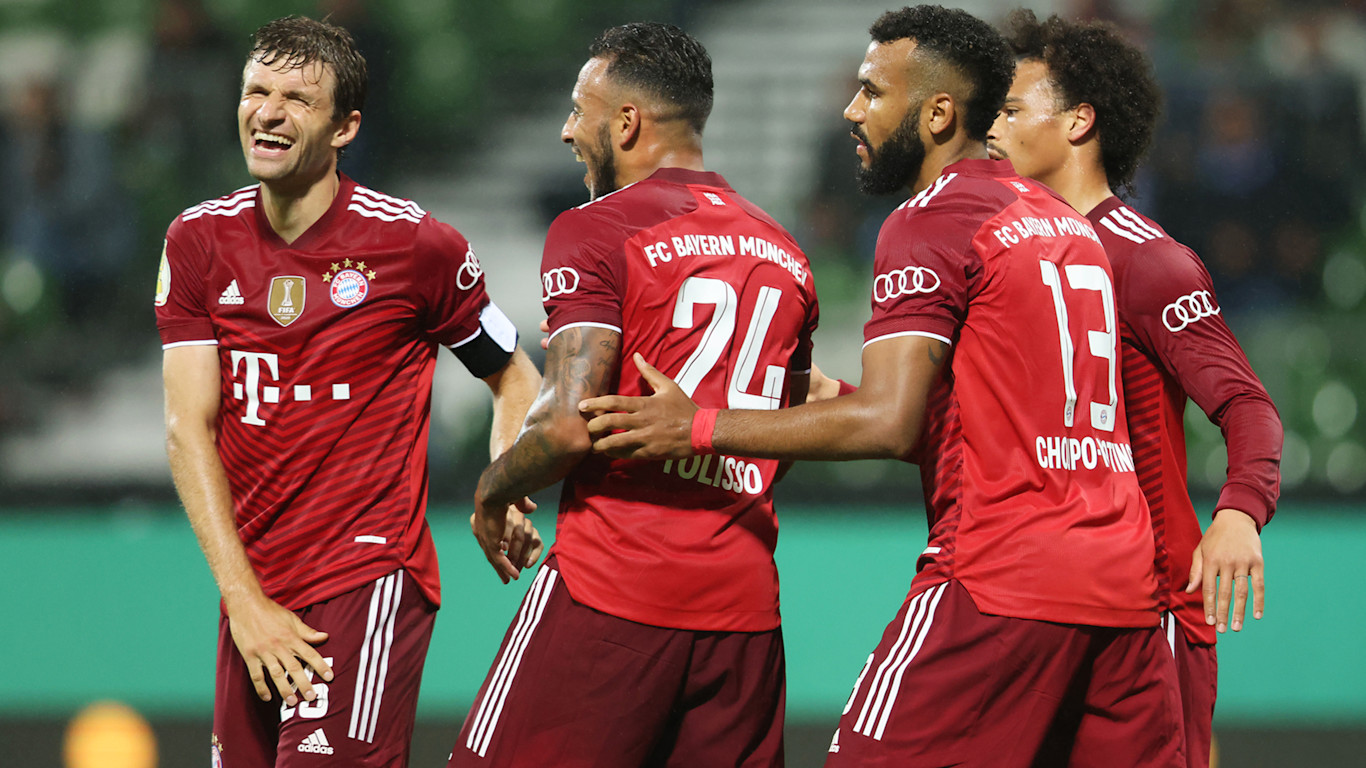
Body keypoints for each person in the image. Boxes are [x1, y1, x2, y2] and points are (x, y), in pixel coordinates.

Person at [582, 6, 1185, 766]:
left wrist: (697, 426)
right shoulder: (1065, 224)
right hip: (1123, 586)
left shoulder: (930, 220)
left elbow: (888, 423)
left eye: (872, 91)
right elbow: (1000, 421)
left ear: (938, 114)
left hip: (1000, 576)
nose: (851, 110)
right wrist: (833, 398)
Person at [155, 16, 542, 767]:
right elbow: (186, 429)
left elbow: (513, 373)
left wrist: (505, 483)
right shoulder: (197, 241)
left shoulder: (416, 246)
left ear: (346, 127)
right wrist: (243, 601)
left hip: (366, 576)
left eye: (297, 99)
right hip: (253, 593)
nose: (268, 113)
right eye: (256, 92)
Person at [449, 22, 819, 768]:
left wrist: (492, 491)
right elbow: (782, 421)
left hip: (612, 593)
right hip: (745, 618)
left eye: (578, 110)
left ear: (625, 123)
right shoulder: (786, 252)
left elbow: (566, 429)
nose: (566, 131)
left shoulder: (598, 230)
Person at [984, 11, 1283, 766]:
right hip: (1041, 596)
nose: (991, 129)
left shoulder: (1149, 263)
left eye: (1011, 110)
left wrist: (1240, 512)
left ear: (1079, 122)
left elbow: (1247, 406)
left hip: (1151, 602)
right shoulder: (1007, 253)